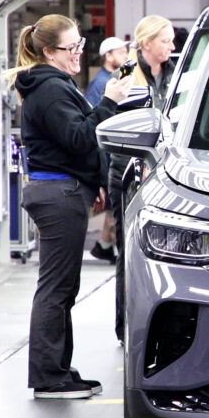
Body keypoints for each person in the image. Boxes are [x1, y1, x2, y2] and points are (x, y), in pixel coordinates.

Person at [4, 14, 132, 399]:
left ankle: (59, 368)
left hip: (63, 190)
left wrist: (92, 180)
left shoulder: (54, 84)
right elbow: (80, 138)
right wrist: (109, 102)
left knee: (63, 286)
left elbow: (71, 143)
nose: (78, 52)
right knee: (56, 288)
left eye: (80, 45)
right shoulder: (50, 90)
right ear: (49, 52)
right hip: (58, 196)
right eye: (71, 47)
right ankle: (48, 376)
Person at [109, 15, 176, 342]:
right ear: (146, 43)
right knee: (129, 251)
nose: (172, 46)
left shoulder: (178, 74)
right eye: (165, 40)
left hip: (166, 174)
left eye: (172, 40)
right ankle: (126, 327)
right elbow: (109, 119)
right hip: (129, 173)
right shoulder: (125, 74)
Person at [85, 36, 129, 264]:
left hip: (111, 149)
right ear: (108, 56)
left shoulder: (113, 79)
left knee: (114, 205)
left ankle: (104, 245)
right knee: (113, 204)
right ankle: (111, 248)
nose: (126, 56)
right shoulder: (101, 83)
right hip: (106, 150)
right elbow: (94, 117)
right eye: (120, 52)